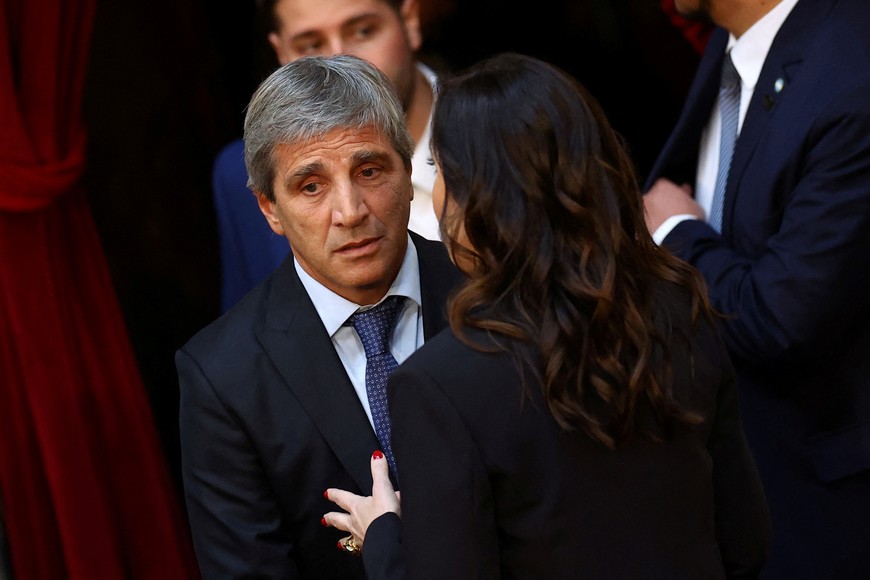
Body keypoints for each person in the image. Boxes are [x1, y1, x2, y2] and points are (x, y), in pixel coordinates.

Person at [323, 52, 771, 579]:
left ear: (480, 197)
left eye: (438, 168)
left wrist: (383, 535)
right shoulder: (677, 306)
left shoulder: (438, 385)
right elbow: (744, 541)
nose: (437, 190)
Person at [177, 54, 462, 579]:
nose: (350, 210)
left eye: (369, 170)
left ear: (407, 169)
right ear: (269, 209)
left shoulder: (489, 294)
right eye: (312, 186)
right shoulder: (223, 378)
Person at [642, 0, 870, 577]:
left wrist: (676, 232)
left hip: (825, 513)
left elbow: (779, 319)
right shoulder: (735, 44)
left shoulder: (848, 75)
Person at [214, 0, 442, 313]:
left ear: (410, 21)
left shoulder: (510, 128)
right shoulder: (237, 174)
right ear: (281, 54)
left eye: (363, 31)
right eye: (311, 44)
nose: (340, 60)